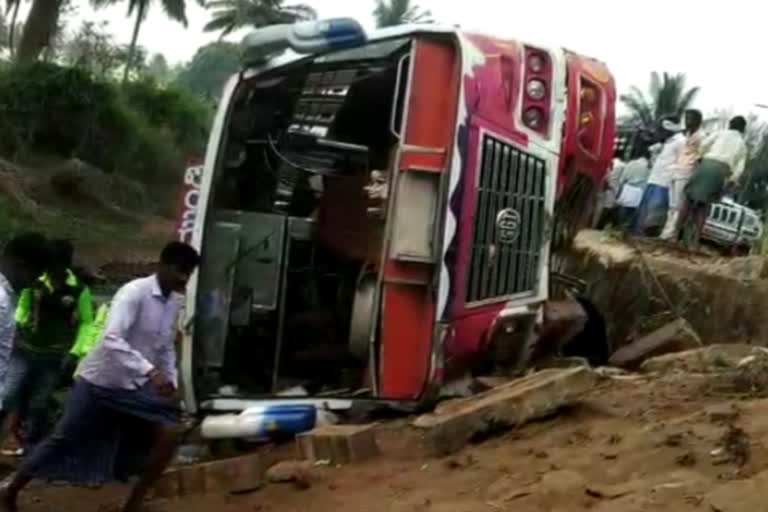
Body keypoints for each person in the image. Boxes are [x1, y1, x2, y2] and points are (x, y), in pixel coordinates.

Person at [1, 241, 200, 512]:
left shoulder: (175, 302)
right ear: (163, 265)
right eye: (180, 270)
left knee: (169, 429)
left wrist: (171, 382)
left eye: (188, 272)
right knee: (62, 439)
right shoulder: (133, 293)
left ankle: (134, 502)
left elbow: (164, 347)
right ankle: (12, 490)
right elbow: (111, 338)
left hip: (133, 385)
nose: (183, 278)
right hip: (99, 381)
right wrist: (151, 372)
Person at [2, 240, 94, 454]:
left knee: (40, 401)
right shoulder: (34, 283)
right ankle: (11, 438)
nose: (49, 272)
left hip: (54, 355)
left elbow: (87, 323)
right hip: (24, 348)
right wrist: (17, 324)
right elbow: (23, 306)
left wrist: (78, 351)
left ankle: (31, 443)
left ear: (65, 265)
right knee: (8, 394)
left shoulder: (78, 290)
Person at [679, 116, 748, 248]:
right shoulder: (742, 145)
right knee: (704, 206)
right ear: (743, 129)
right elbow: (740, 168)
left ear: (730, 124)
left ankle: (675, 234)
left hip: (707, 163)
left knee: (688, 199)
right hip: (722, 170)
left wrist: (701, 157)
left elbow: (704, 144)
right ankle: (695, 241)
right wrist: (732, 181)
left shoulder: (720, 133)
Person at [0, 234, 51, 408]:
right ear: (21, 266)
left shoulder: (8, 298)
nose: (32, 284)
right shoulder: (1, 301)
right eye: (34, 276)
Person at [633, 119, 686, 236]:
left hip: (664, 182)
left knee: (655, 211)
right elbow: (649, 148)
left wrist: (671, 174)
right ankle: (637, 235)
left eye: (662, 130)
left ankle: (647, 237)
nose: (660, 132)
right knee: (644, 210)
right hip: (653, 178)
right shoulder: (666, 142)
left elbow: (681, 162)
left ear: (670, 129)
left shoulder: (681, 141)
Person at [661, 110, 705, 241]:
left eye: (690, 118)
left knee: (679, 205)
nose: (687, 121)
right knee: (672, 204)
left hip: (687, 171)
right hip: (675, 170)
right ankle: (666, 232)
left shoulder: (701, 136)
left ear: (698, 121)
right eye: (686, 118)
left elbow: (701, 157)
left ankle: (671, 235)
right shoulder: (686, 135)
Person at [614, 145, 652, 230]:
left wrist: (620, 189)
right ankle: (627, 228)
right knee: (633, 212)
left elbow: (623, 178)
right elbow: (647, 182)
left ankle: (619, 227)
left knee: (623, 208)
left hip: (627, 188)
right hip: (639, 191)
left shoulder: (631, 163)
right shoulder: (648, 168)